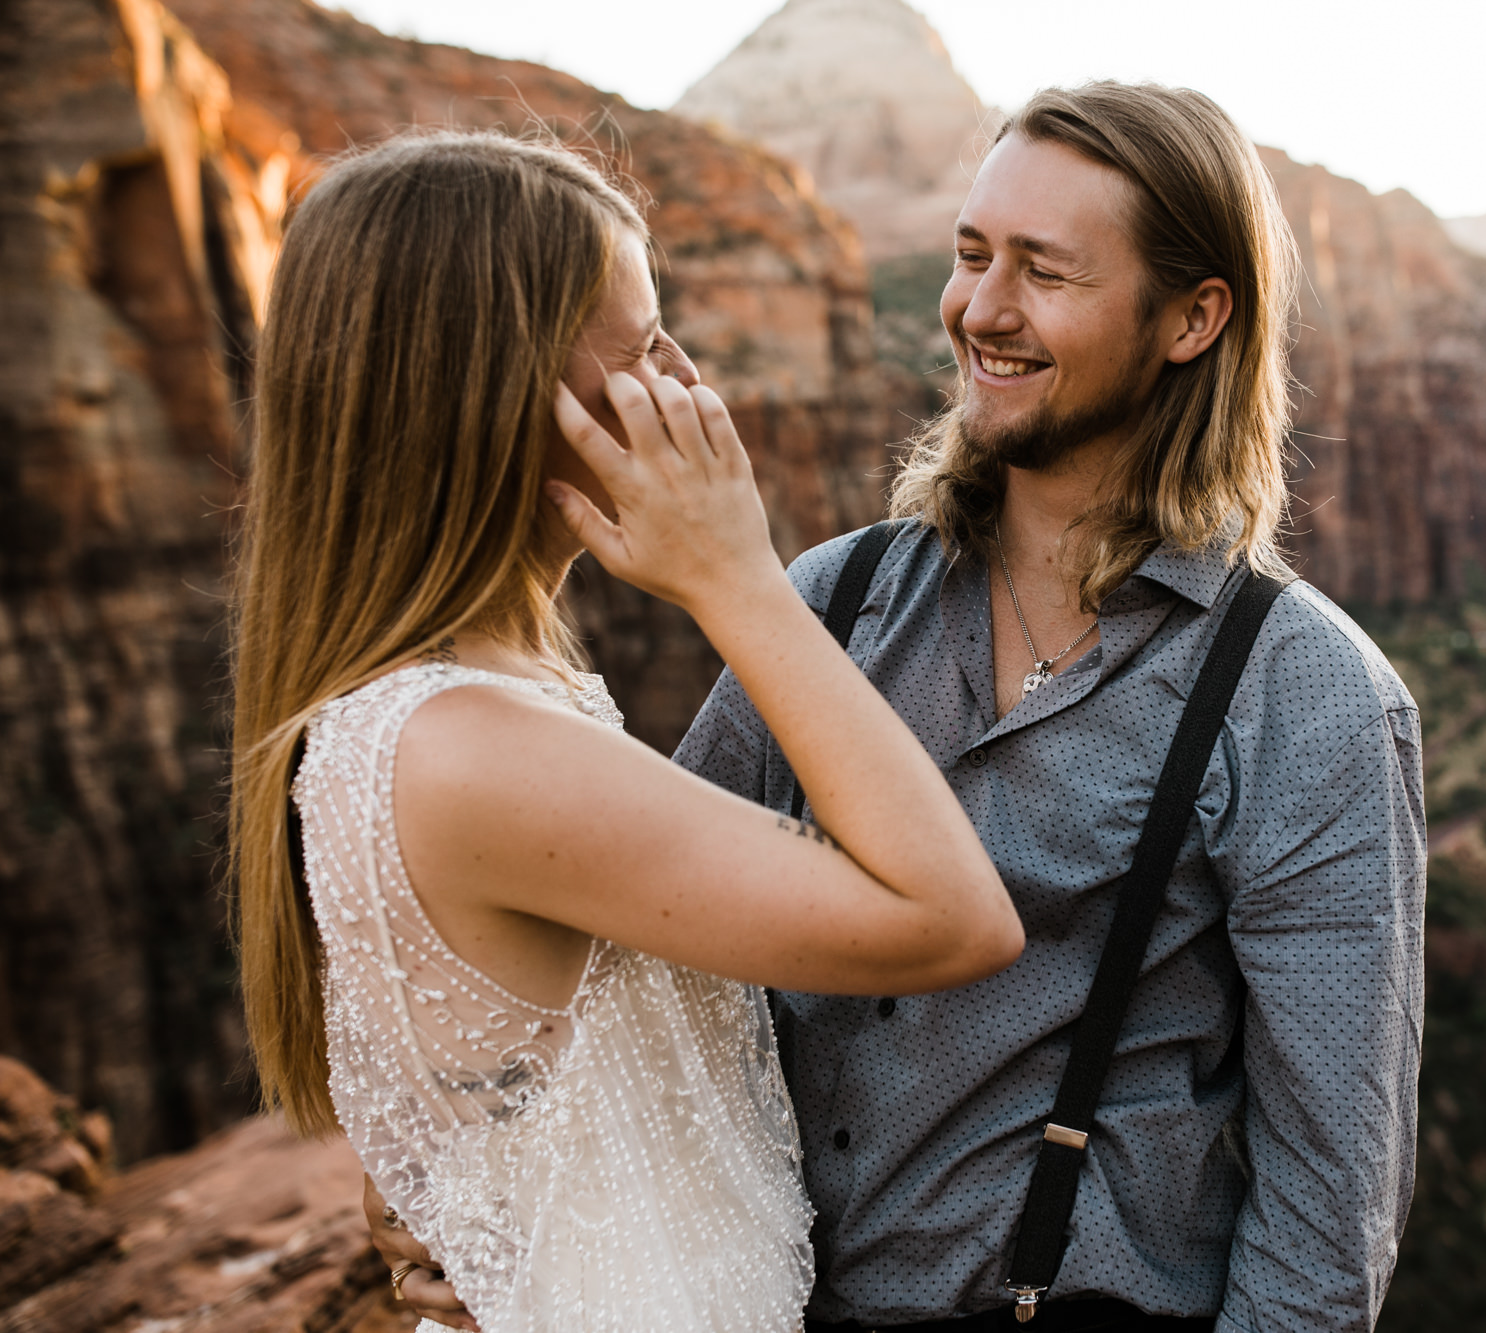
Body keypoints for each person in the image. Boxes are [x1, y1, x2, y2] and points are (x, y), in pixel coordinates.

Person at [386, 81, 1425, 1333]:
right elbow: (640, 962)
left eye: (1044, 271)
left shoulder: (1305, 693)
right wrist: (503, 1202)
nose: (981, 311)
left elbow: (1326, 1208)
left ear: (1191, 318)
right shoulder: (832, 601)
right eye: (971, 256)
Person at [231, 129, 1024, 1333]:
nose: (689, 381)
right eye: (645, 344)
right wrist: (738, 582)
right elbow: (952, 916)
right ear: (496, 390)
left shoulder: (464, 704)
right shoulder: (468, 747)